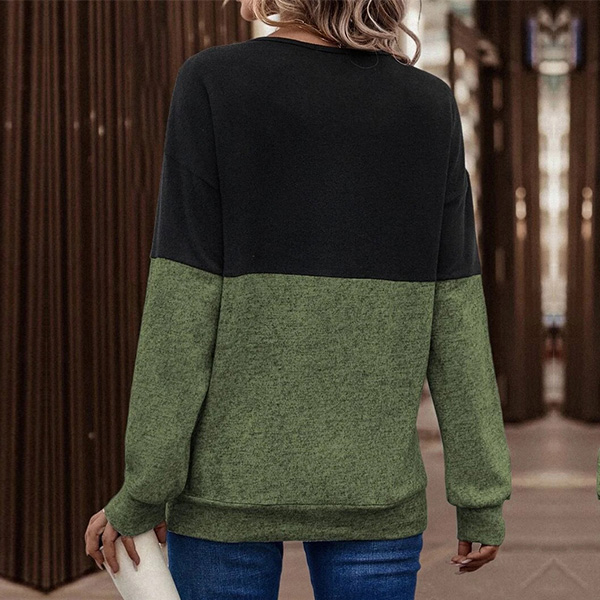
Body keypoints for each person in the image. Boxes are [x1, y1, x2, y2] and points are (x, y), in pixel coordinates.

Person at [85, 0, 512, 598]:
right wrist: (480, 494)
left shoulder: (212, 83)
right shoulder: (427, 105)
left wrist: (145, 489)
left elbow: (182, 307)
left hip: (223, 494)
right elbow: (456, 316)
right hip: (374, 491)